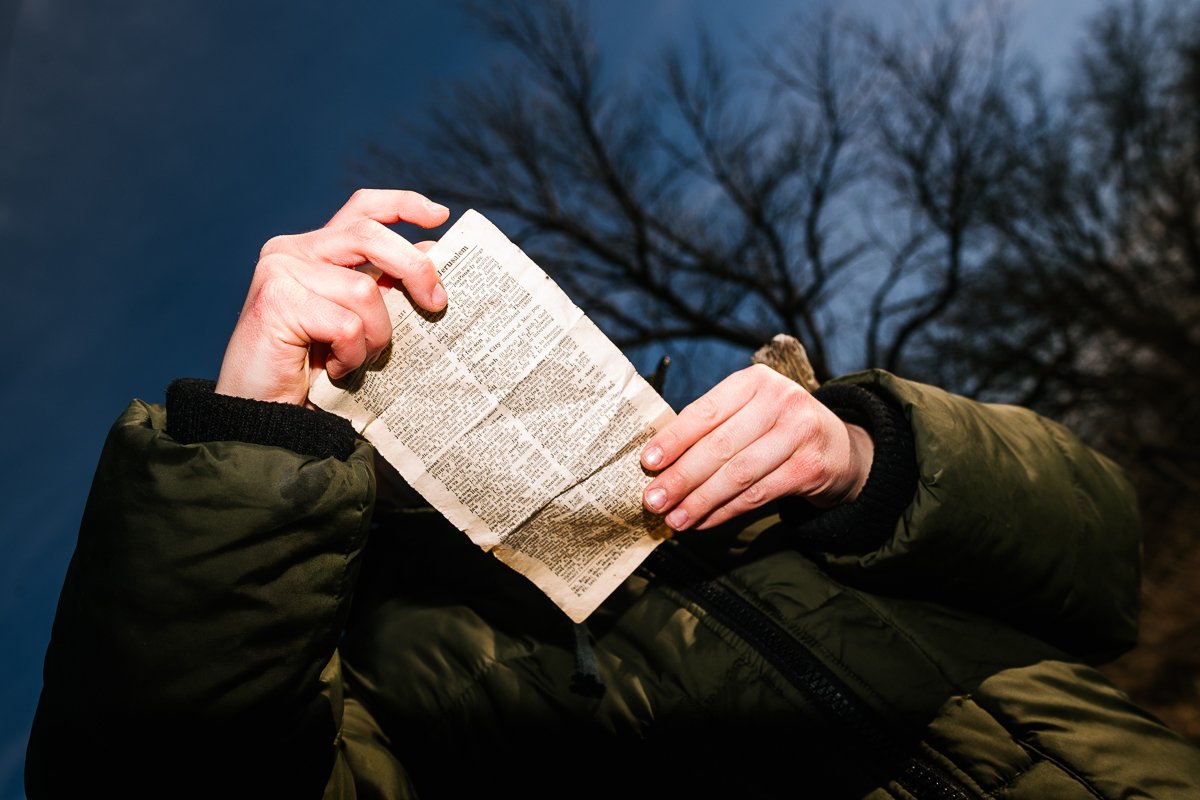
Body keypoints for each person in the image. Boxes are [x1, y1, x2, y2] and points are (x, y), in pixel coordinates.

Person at [27, 190, 1200, 798]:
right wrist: (244, 432)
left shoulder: (774, 446)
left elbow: (1107, 566)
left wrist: (863, 454)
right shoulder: (396, 680)